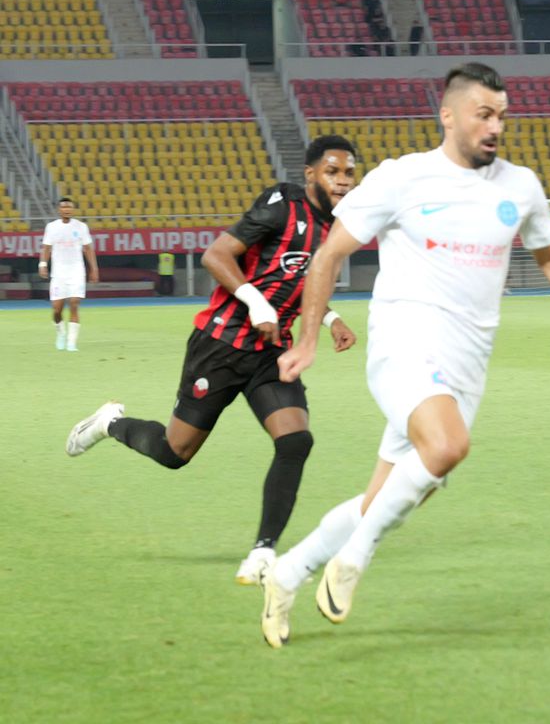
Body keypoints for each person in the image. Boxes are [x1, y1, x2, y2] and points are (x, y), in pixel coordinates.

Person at [257, 62, 550, 648]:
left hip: (466, 363)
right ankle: (352, 562)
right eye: (483, 115)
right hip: (404, 342)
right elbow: (329, 255)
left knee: (386, 494)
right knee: (447, 446)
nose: (496, 127)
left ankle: (287, 574)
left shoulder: (520, 186)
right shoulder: (401, 178)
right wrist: (308, 337)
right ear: (449, 115)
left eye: (502, 116)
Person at [64, 135, 360, 585]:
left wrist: (331, 317)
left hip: (269, 353)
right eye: (333, 171)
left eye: (349, 173)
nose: (342, 181)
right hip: (220, 344)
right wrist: (256, 304)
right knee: (174, 452)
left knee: (296, 441)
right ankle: (109, 424)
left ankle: (263, 553)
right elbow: (216, 255)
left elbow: (300, 278)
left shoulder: (341, 226)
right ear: (312, 174)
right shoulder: (282, 204)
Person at [39, 197, 100, 352]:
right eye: (64, 207)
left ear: (73, 209)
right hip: (58, 273)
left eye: (69, 207)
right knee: (57, 310)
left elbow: (88, 249)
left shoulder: (81, 227)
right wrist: (43, 264)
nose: (67, 210)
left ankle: (72, 343)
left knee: (74, 303)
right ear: (59, 210)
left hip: (76, 272)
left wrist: (94, 269)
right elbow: (46, 248)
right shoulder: (51, 227)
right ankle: (60, 332)